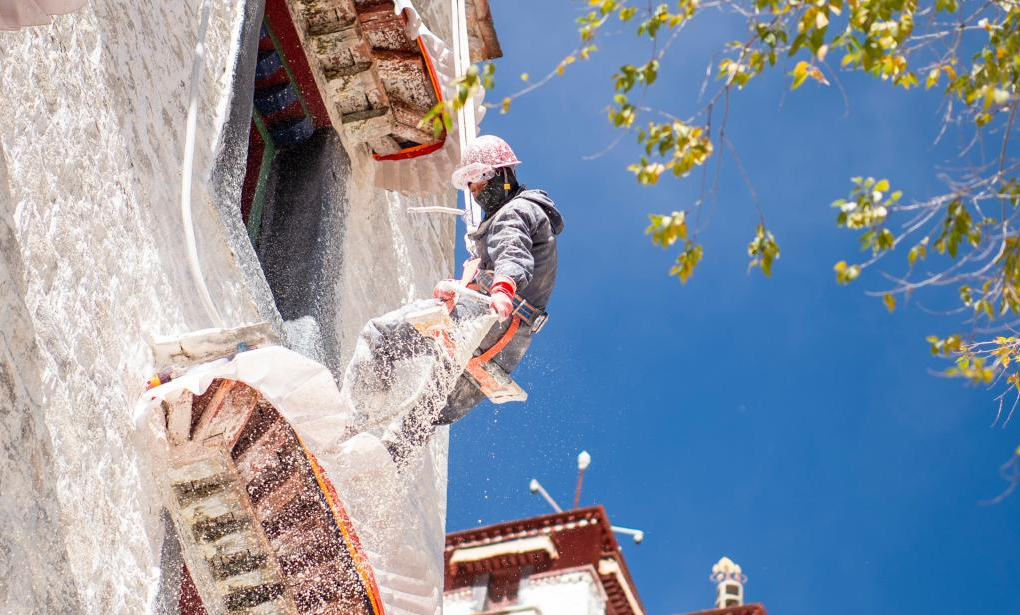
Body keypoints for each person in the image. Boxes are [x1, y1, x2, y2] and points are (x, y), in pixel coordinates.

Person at [354, 135, 564, 461]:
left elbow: (512, 255)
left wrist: (503, 289)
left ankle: (351, 423)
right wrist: (462, 285)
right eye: (470, 184)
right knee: (426, 412)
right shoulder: (532, 220)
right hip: (507, 348)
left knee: (378, 336)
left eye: (479, 180)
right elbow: (509, 261)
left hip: (481, 323)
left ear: (504, 175)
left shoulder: (514, 213)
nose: (475, 192)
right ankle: (379, 469)